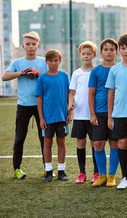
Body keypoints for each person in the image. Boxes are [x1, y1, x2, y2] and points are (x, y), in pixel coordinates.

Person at [2, 31, 48, 179]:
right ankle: (17, 168)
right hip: (23, 106)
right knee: (20, 137)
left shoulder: (43, 62)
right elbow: (5, 77)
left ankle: (47, 169)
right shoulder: (17, 62)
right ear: (23, 46)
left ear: (38, 46)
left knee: (44, 138)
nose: (30, 46)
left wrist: (37, 74)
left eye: (33, 44)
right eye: (28, 44)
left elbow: (50, 80)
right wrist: (21, 73)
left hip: (41, 105)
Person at [105, 34, 127, 190]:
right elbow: (111, 93)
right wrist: (110, 116)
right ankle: (125, 177)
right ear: (119, 51)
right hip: (119, 114)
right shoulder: (114, 69)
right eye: (123, 48)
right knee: (122, 144)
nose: (126, 51)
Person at [35, 49, 71, 182]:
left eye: (56, 60)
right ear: (46, 62)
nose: (53, 63)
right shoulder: (42, 78)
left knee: (61, 142)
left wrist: (70, 112)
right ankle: (48, 171)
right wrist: (41, 118)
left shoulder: (64, 76)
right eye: (50, 60)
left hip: (62, 117)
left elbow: (69, 96)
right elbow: (39, 99)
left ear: (60, 61)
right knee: (47, 143)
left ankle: (61, 170)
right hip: (48, 118)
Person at [89, 38, 120, 187]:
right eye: (106, 49)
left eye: (112, 49)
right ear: (101, 52)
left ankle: (112, 175)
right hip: (99, 112)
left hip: (116, 112)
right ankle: (102, 175)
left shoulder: (119, 68)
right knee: (98, 144)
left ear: (116, 52)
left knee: (115, 143)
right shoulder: (95, 71)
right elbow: (91, 94)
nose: (109, 52)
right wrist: (92, 114)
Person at [68, 41, 99, 184]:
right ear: (79, 55)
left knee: (94, 143)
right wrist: (70, 104)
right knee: (81, 143)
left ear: (94, 55)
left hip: (93, 114)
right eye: (83, 54)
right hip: (80, 115)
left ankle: (96, 173)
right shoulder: (76, 73)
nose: (86, 56)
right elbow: (72, 93)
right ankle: (82, 173)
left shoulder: (97, 71)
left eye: (89, 54)